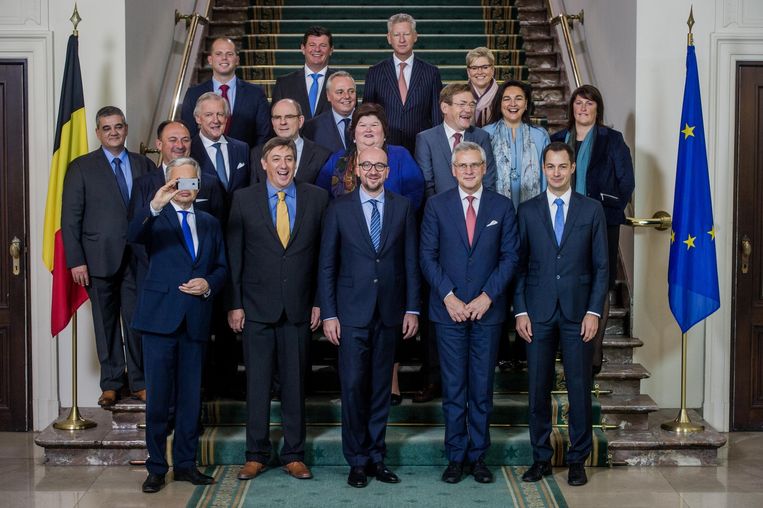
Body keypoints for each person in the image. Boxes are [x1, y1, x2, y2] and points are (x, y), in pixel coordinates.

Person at [228, 137, 329, 482]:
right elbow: (235, 255)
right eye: (276, 159)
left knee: (295, 385)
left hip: (299, 307)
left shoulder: (317, 198)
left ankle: (294, 454)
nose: (283, 165)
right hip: (256, 308)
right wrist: (235, 304)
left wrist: (319, 301)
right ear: (264, 163)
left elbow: (324, 257)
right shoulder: (243, 199)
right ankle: (255, 455)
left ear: (295, 163)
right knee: (257, 385)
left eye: (289, 158)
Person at [318, 146, 420, 488]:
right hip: (350, 314)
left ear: (388, 171)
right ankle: (357, 460)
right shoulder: (338, 208)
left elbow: (410, 261)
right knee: (352, 387)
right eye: (367, 165)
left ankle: (376, 457)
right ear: (357, 170)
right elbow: (327, 265)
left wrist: (412, 308)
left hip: (390, 312)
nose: (373, 171)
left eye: (380, 165)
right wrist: (329, 314)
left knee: (380, 389)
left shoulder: (402, 207)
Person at [419, 141, 519, 485]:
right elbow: (427, 256)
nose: (469, 171)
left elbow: (510, 257)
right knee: (453, 389)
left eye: (475, 165)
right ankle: (455, 457)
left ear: (484, 168)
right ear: (453, 170)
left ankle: (478, 457)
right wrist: (448, 296)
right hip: (448, 312)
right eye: (462, 165)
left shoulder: (502, 206)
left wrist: (487, 296)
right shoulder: (436, 205)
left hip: (487, 312)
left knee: (481, 388)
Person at [129, 157, 228, 493]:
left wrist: (208, 283)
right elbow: (133, 234)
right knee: (158, 399)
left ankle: (186, 465)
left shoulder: (210, 222)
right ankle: (157, 467)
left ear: (198, 186)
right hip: (159, 320)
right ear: (169, 184)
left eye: (191, 182)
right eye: (178, 182)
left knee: (190, 399)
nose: (185, 188)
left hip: (195, 319)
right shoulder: (156, 217)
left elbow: (221, 267)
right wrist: (155, 204)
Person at [514, 142, 608, 487]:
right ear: (543, 169)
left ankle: (577, 459)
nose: (556, 172)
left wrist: (594, 311)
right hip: (537, 313)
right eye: (550, 166)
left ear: (572, 169)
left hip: (578, 313)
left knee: (579, 388)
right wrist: (520, 310)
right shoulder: (527, 211)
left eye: (562, 166)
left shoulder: (591, 210)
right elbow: (518, 266)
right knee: (537, 388)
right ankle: (540, 458)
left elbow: (602, 267)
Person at [61, 105, 155, 406]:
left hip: (137, 258)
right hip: (97, 259)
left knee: (137, 321)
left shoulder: (144, 164)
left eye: (118, 126)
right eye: (107, 128)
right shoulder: (81, 167)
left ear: (126, 129)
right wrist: (76, 260)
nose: (113, 132)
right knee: (105, 323)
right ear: (98, 132)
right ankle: (112, 383)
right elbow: (70, 219)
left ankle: (139, 382)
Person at [550, 84, 635, 374]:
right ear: (571, 108)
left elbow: (626, 182)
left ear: (598, 108)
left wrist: (604, 206)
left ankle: (595, 350)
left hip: (603, 221)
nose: (583, 108)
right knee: (566, 279)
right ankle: (566, 344)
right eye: (579, 103)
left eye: (589, 103)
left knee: (601, 283)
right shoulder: (557, 139)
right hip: (562, 221)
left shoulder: (612, 140)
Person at [483, 80, 550, 369]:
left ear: (526, 103)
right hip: (496, 219)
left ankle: (525, 349)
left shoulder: (540, 135)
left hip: (531, 218)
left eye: (518, 98)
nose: (512, 103)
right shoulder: (485, 134)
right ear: (499, 103)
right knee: (497, 280)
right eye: (507, 98)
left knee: (527, 279)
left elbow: (547, 179)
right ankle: (499, 349)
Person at [188, 91, 250, 397]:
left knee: (233, 313)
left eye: (220, 114)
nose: (215, 120)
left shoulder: (242, 149)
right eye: (209, 115)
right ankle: (204, 384)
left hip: (238, 242)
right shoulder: (189, 152)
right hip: (203, 248)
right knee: (205, 317)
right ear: (197, 118)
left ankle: (229, 382)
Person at [129, 120, 225, 288]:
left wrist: (205, 277)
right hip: (158, 281)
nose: (180, 145)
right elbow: (136, 235)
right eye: (173, 140)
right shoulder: (143, 184)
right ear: (159, 144)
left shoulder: (209, 182)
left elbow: (218, 231)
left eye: (185, 140)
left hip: (199, 280)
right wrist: (163, 271)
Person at [315, 102, 424, 212]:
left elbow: (415, 193)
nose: (368, 129)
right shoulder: (337, 159)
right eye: (362, 125)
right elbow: (321, 195)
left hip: (391, 219)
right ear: (353, 134)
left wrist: (394, 216)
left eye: (374, 125)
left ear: (384, 133)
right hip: (344, 220)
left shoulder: (401, 155)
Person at [363, 13, 443, 154]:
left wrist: (436, 149)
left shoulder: (431, 73)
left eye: (406, 34)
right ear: (389, 38)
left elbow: (437, 116)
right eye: (396, 35)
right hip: (385, 147)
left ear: (415, 36)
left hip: (422, 148)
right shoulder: (375, 72)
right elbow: (367, 113)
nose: (401, 40)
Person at [180, 37, 270, 148]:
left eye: (229, 54)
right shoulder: (193, 94)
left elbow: (264, 135)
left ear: (237, 60)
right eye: (218, 54)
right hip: (203, 158)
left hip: (245, 157)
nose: (224, 58)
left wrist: (248, 157)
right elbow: (188, 133)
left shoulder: (256, 93)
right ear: (210, 60)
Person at [416, 83, 497, 199]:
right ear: (444, 107)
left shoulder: (482, 137)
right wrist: (437, 208)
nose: (468, 110)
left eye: (472, 104)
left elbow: (488, 180)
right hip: (440, 207)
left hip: (476, 206)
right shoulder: (426, 139)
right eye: (462, 104)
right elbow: (427, 185)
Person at [251, 99, 331, 185]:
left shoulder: (322, 155)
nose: (283, 122)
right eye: (277, 117)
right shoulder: (257, 154)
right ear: (273, 122)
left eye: (289, 117)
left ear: (300, 121)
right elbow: (254, 191)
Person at [271, 25, 335, 120]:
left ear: (331, 50)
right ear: (303, 48)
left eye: (323, 45)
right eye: (312, 45)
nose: (317, 49)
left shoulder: (342, 82)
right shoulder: (283, 84)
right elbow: (276, 120)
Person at [301, 71, 357, 154]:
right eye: (340, 92)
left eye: (351, 91)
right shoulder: (312, 127)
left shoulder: (370, 122)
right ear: (328, 96)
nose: (347, 96)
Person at [466, 47, 499, 127]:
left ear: (492, 70)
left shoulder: (502, 94)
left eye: (485, 67)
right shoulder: (459, 95)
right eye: (474, 68)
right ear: (468, 72)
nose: (480, 72)